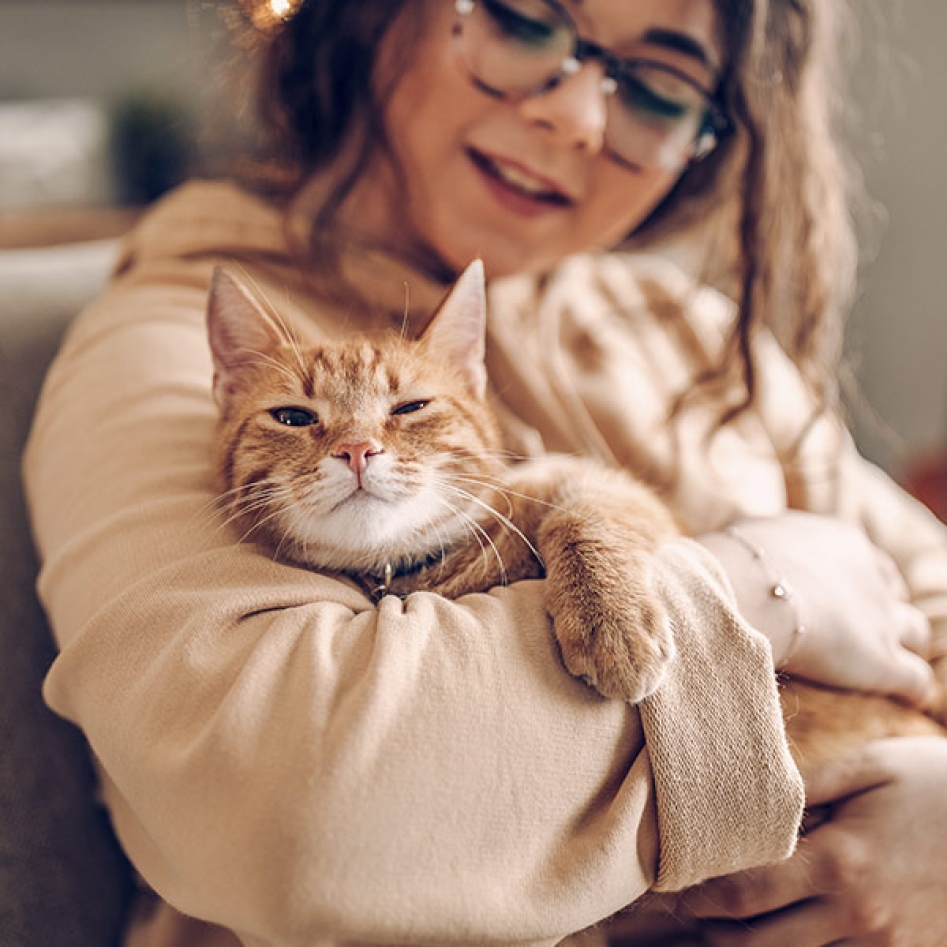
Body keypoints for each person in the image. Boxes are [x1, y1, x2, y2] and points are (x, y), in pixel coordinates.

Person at [21, 1, 947, 945]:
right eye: (522, 20)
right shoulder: (160, 346)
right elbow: (304, 817)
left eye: (659, 89)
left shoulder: (691, 331)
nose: (577, 116)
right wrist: (754, 587)